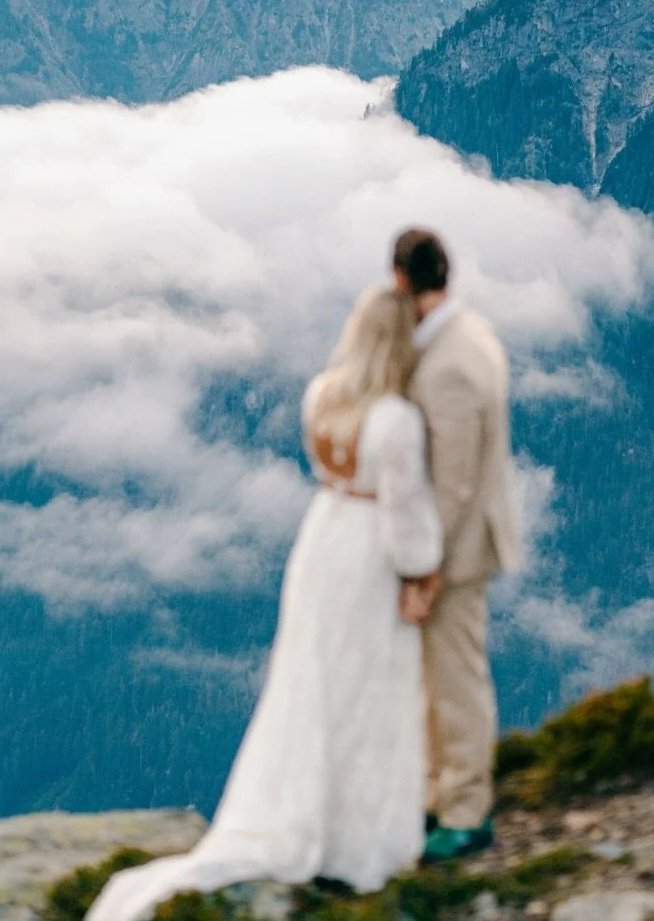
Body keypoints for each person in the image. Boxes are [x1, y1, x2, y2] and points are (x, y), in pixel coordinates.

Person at [86, 288, 443, 921]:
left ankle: (296, 809)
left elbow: (330, 472)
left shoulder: (322, 395)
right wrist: (423, 571)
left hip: (321, 540)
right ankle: (357, 839)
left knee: (309, 683)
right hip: (368, 553)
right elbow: (406, 510)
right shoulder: (396, 418)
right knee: (370, 687)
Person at [391, 228, 521, 864]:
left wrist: (426, 566)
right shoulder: (471, 336)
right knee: (441, 678)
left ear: (401, 280)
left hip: (458, 551)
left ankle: (466, 813)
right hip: (467, 543)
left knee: (455, 681)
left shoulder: (448, 363)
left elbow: (453, 481)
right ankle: (441, 798)